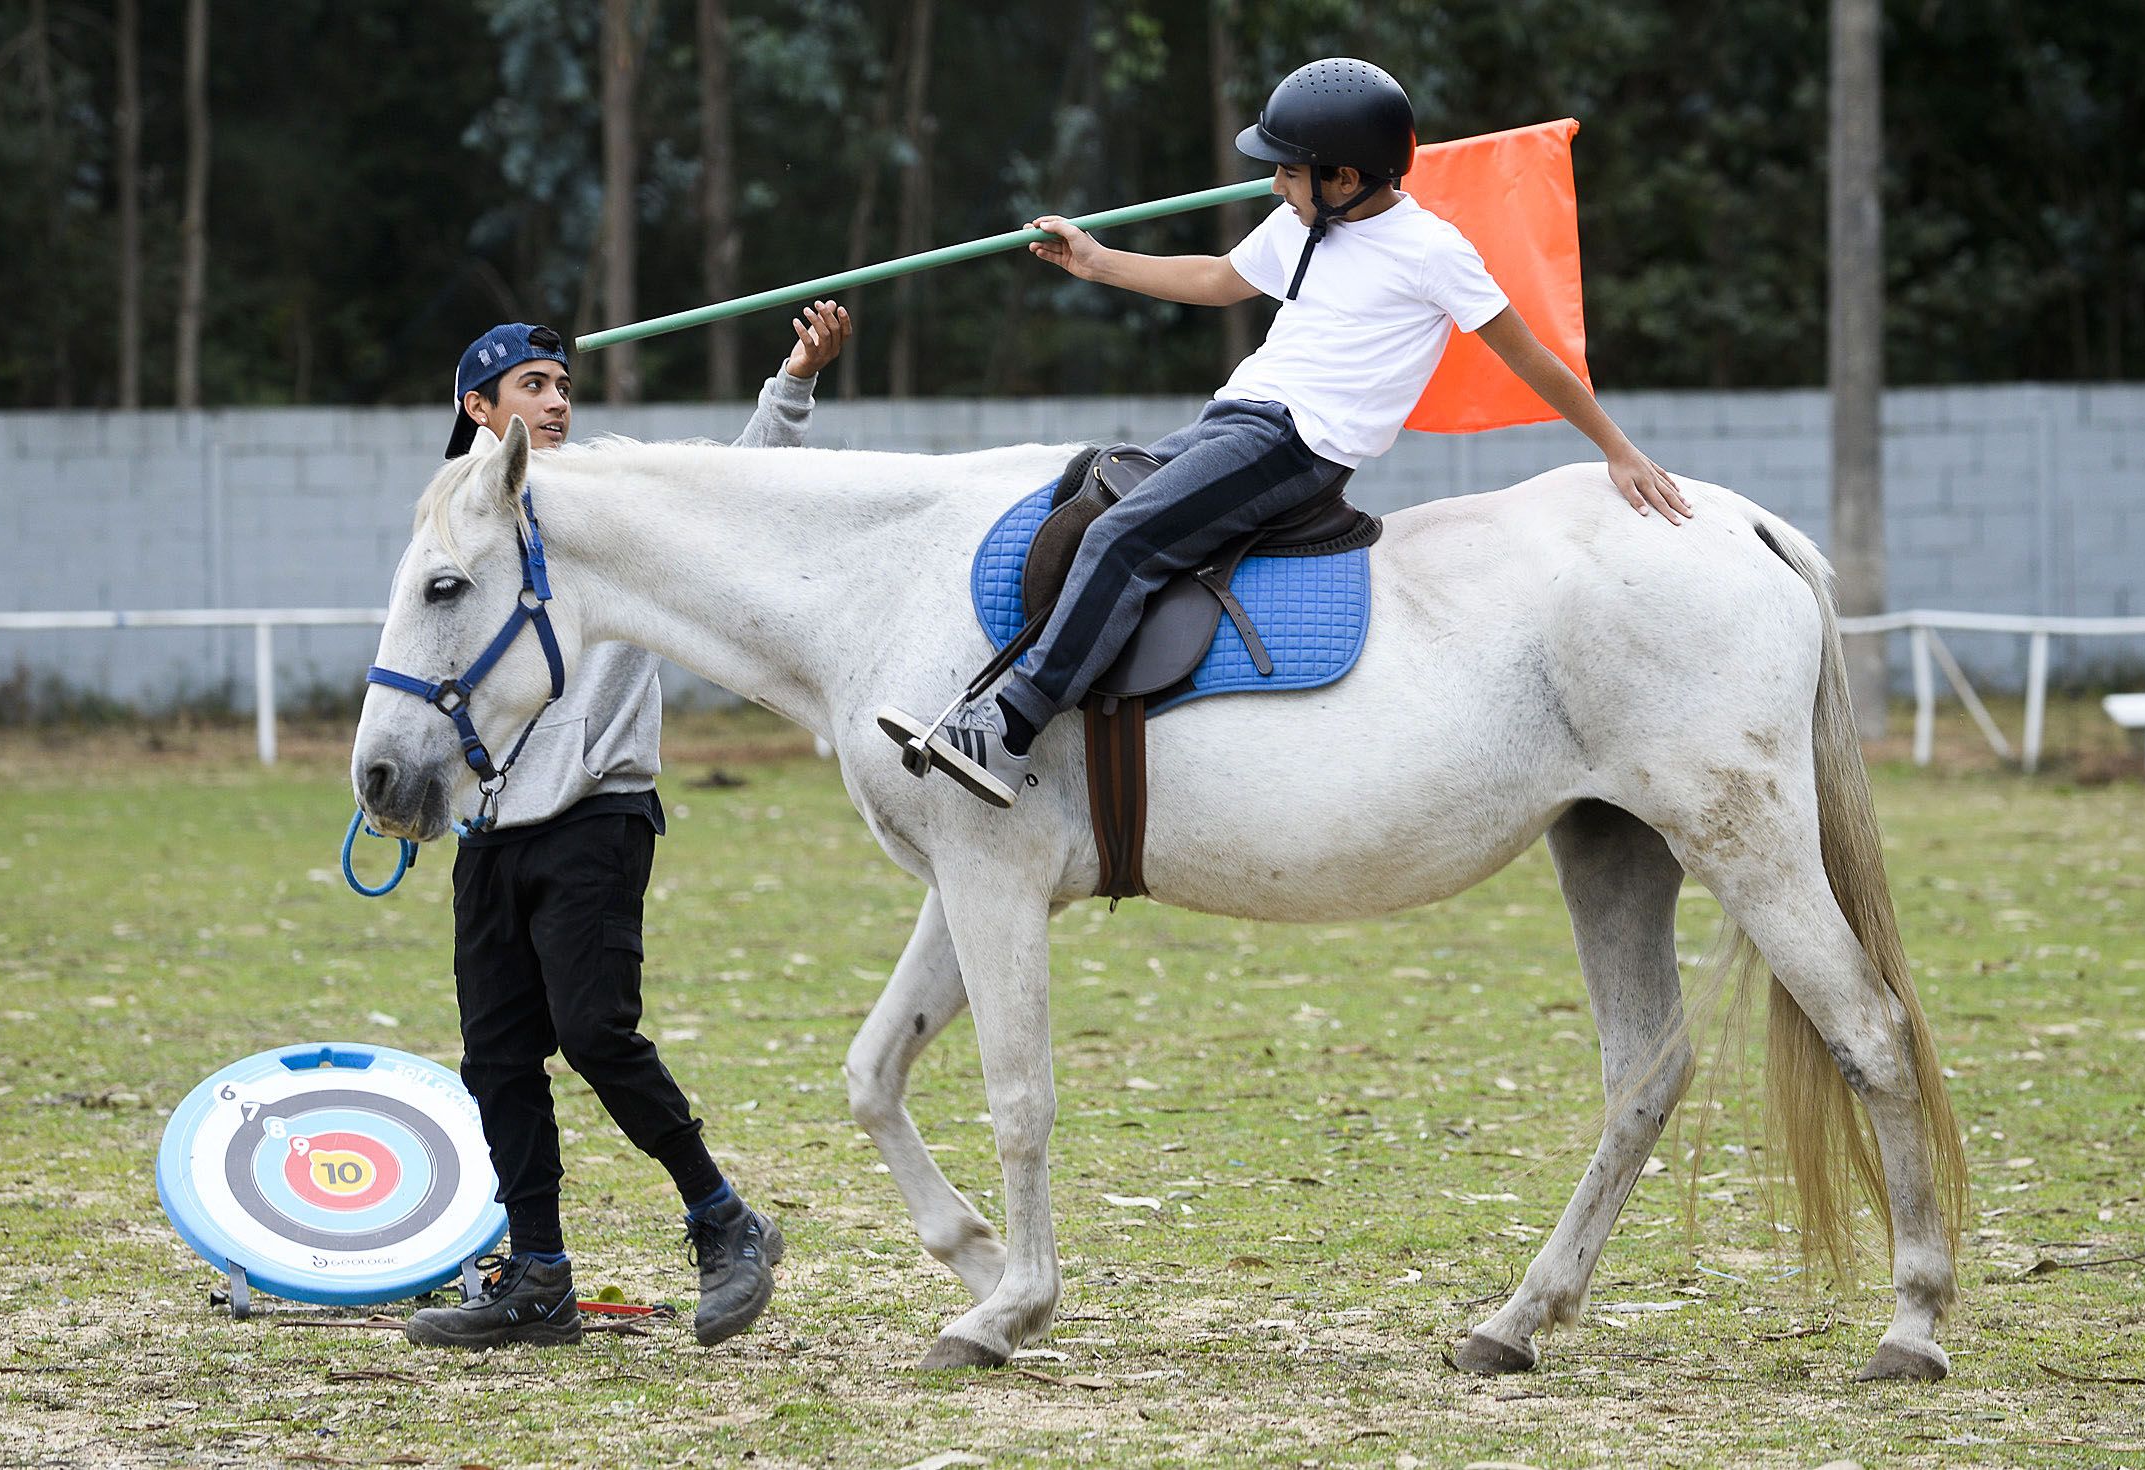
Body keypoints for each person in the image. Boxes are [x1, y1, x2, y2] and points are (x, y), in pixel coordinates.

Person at [877, 58, 1687, 807]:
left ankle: (1009, 731)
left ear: (1343, 176)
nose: (1272, 183)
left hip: (1294, 447)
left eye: (1286, 169)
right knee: (1091, 496)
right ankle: (1030, 696)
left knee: (1125, 539)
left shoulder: (1433, 252)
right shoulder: (1304, 224)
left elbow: (1528, 355)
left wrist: (1615, 447)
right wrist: (1098, 262)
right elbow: (1218, 279)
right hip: (1233, 416)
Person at [404, 302, 854, 1350]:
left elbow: (738, 499)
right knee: (497, 1058)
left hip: (597, 810)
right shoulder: (453, 524)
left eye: (563, 387)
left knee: (594, 1031)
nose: (557, 403)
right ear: (480, 406)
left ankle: (721, 1218)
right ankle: (539, 1281)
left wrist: (791, 382)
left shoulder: (606, 510)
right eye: (534, 387)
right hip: (488, 827)